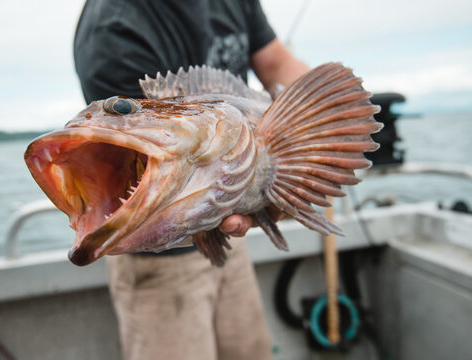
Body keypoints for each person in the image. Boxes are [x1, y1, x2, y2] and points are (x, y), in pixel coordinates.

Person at [74, 1, 309, 359]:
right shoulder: (112, 27)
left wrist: (328, 127)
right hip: (156, 254)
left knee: (252, 350)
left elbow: (276, 62)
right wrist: (270, 186)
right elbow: (158, 159)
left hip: (230, 227)